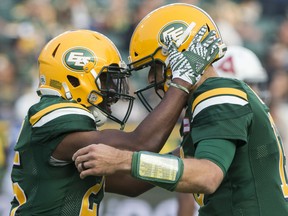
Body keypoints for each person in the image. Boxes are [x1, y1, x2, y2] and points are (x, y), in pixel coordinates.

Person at [72, 3, 288, 216]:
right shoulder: (209, 102)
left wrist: (123, 160)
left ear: (177, 57)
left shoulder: (218, 94)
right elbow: (138, 182)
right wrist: (70, 178)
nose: (150, 79)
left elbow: (206, 176)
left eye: (154, 67)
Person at [9, 24, 220, 215]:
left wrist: (186, 148)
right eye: (106, 79)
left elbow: (132, 184)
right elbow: (139, 145)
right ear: (75, 76)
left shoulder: (58, 126)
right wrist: (181, 81)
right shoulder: (54, 115)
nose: (113, 91)